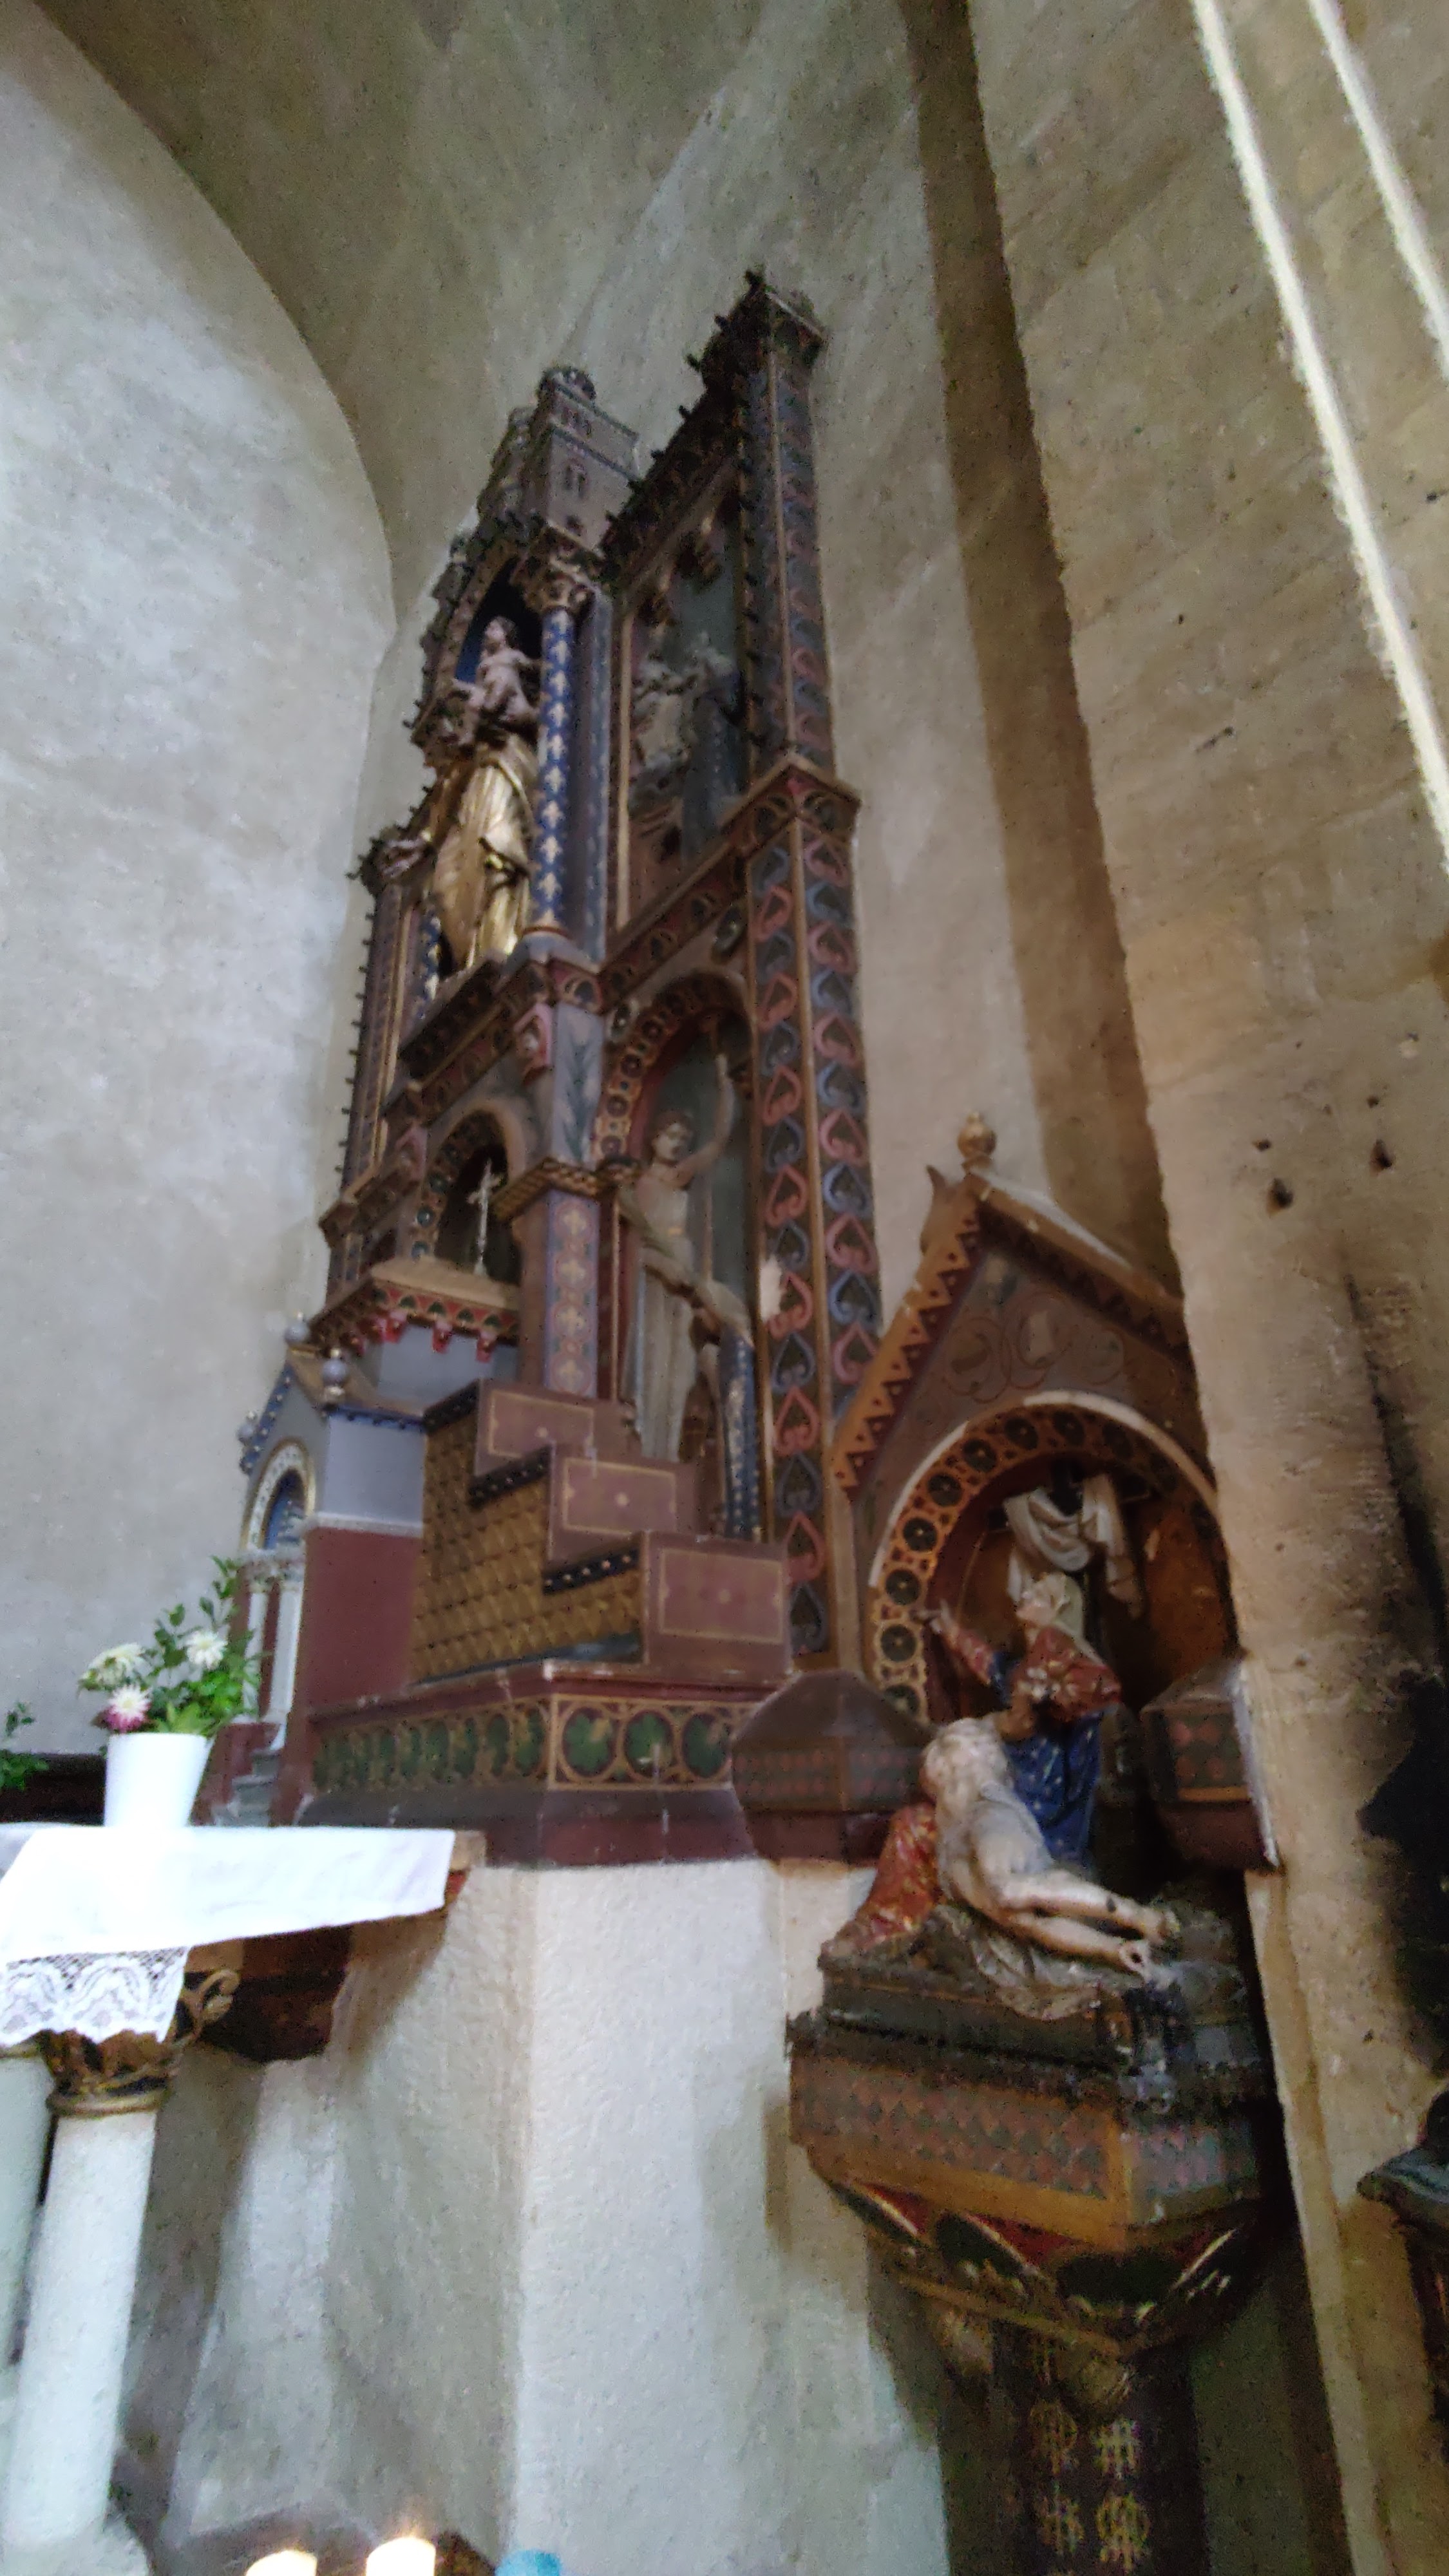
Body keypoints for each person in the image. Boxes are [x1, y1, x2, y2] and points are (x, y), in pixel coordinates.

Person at [927, 1571, 1121, 1864]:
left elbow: (1089, 1692)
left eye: (1039, 1595)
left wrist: (1031, 1704)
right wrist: (952, 1629)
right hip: (1029, 1765)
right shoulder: (1030, 1663)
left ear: (1057, 1611)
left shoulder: (1060, 1652)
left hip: (1046, 1777)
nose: (1026, 1595)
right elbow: (994, 1667)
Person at [430, 619, 539, 971]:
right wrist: (426, 838)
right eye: (486, 628)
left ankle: (501, 944)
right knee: (444, 885)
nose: (489, 633)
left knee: (499, 851)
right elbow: (452, 779)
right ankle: (471, 957)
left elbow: (546, 676)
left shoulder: (511, 664)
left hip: (505, 766)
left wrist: (531, 715)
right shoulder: (483, 675)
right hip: (478, 778)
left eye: (495, 627)